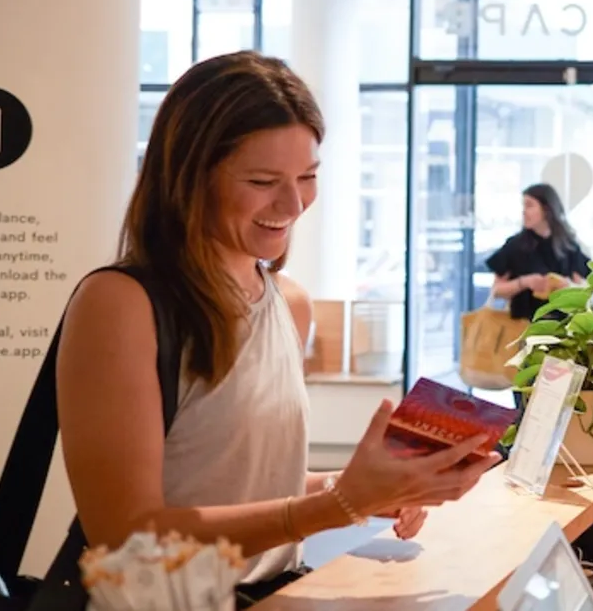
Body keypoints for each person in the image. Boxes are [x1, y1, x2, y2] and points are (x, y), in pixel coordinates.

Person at [56, 52, 500, 600]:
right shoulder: (120, 304)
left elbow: (240, 484)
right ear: (191, 177)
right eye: (263, 180)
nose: (292, 204)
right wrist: (332, 507)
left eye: (308, 177)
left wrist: (362, 489)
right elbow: (125, 535)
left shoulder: (289, 303)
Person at [485, 183, 589, 320]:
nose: (524, 211)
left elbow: (584, 287)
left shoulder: (568, 245)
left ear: (547, 209)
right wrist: (524, 282)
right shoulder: (515, 245)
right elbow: (496, 291)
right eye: (523, 206)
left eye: (529, 205)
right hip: (523, 328)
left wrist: (566, 286)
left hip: (562, 329)